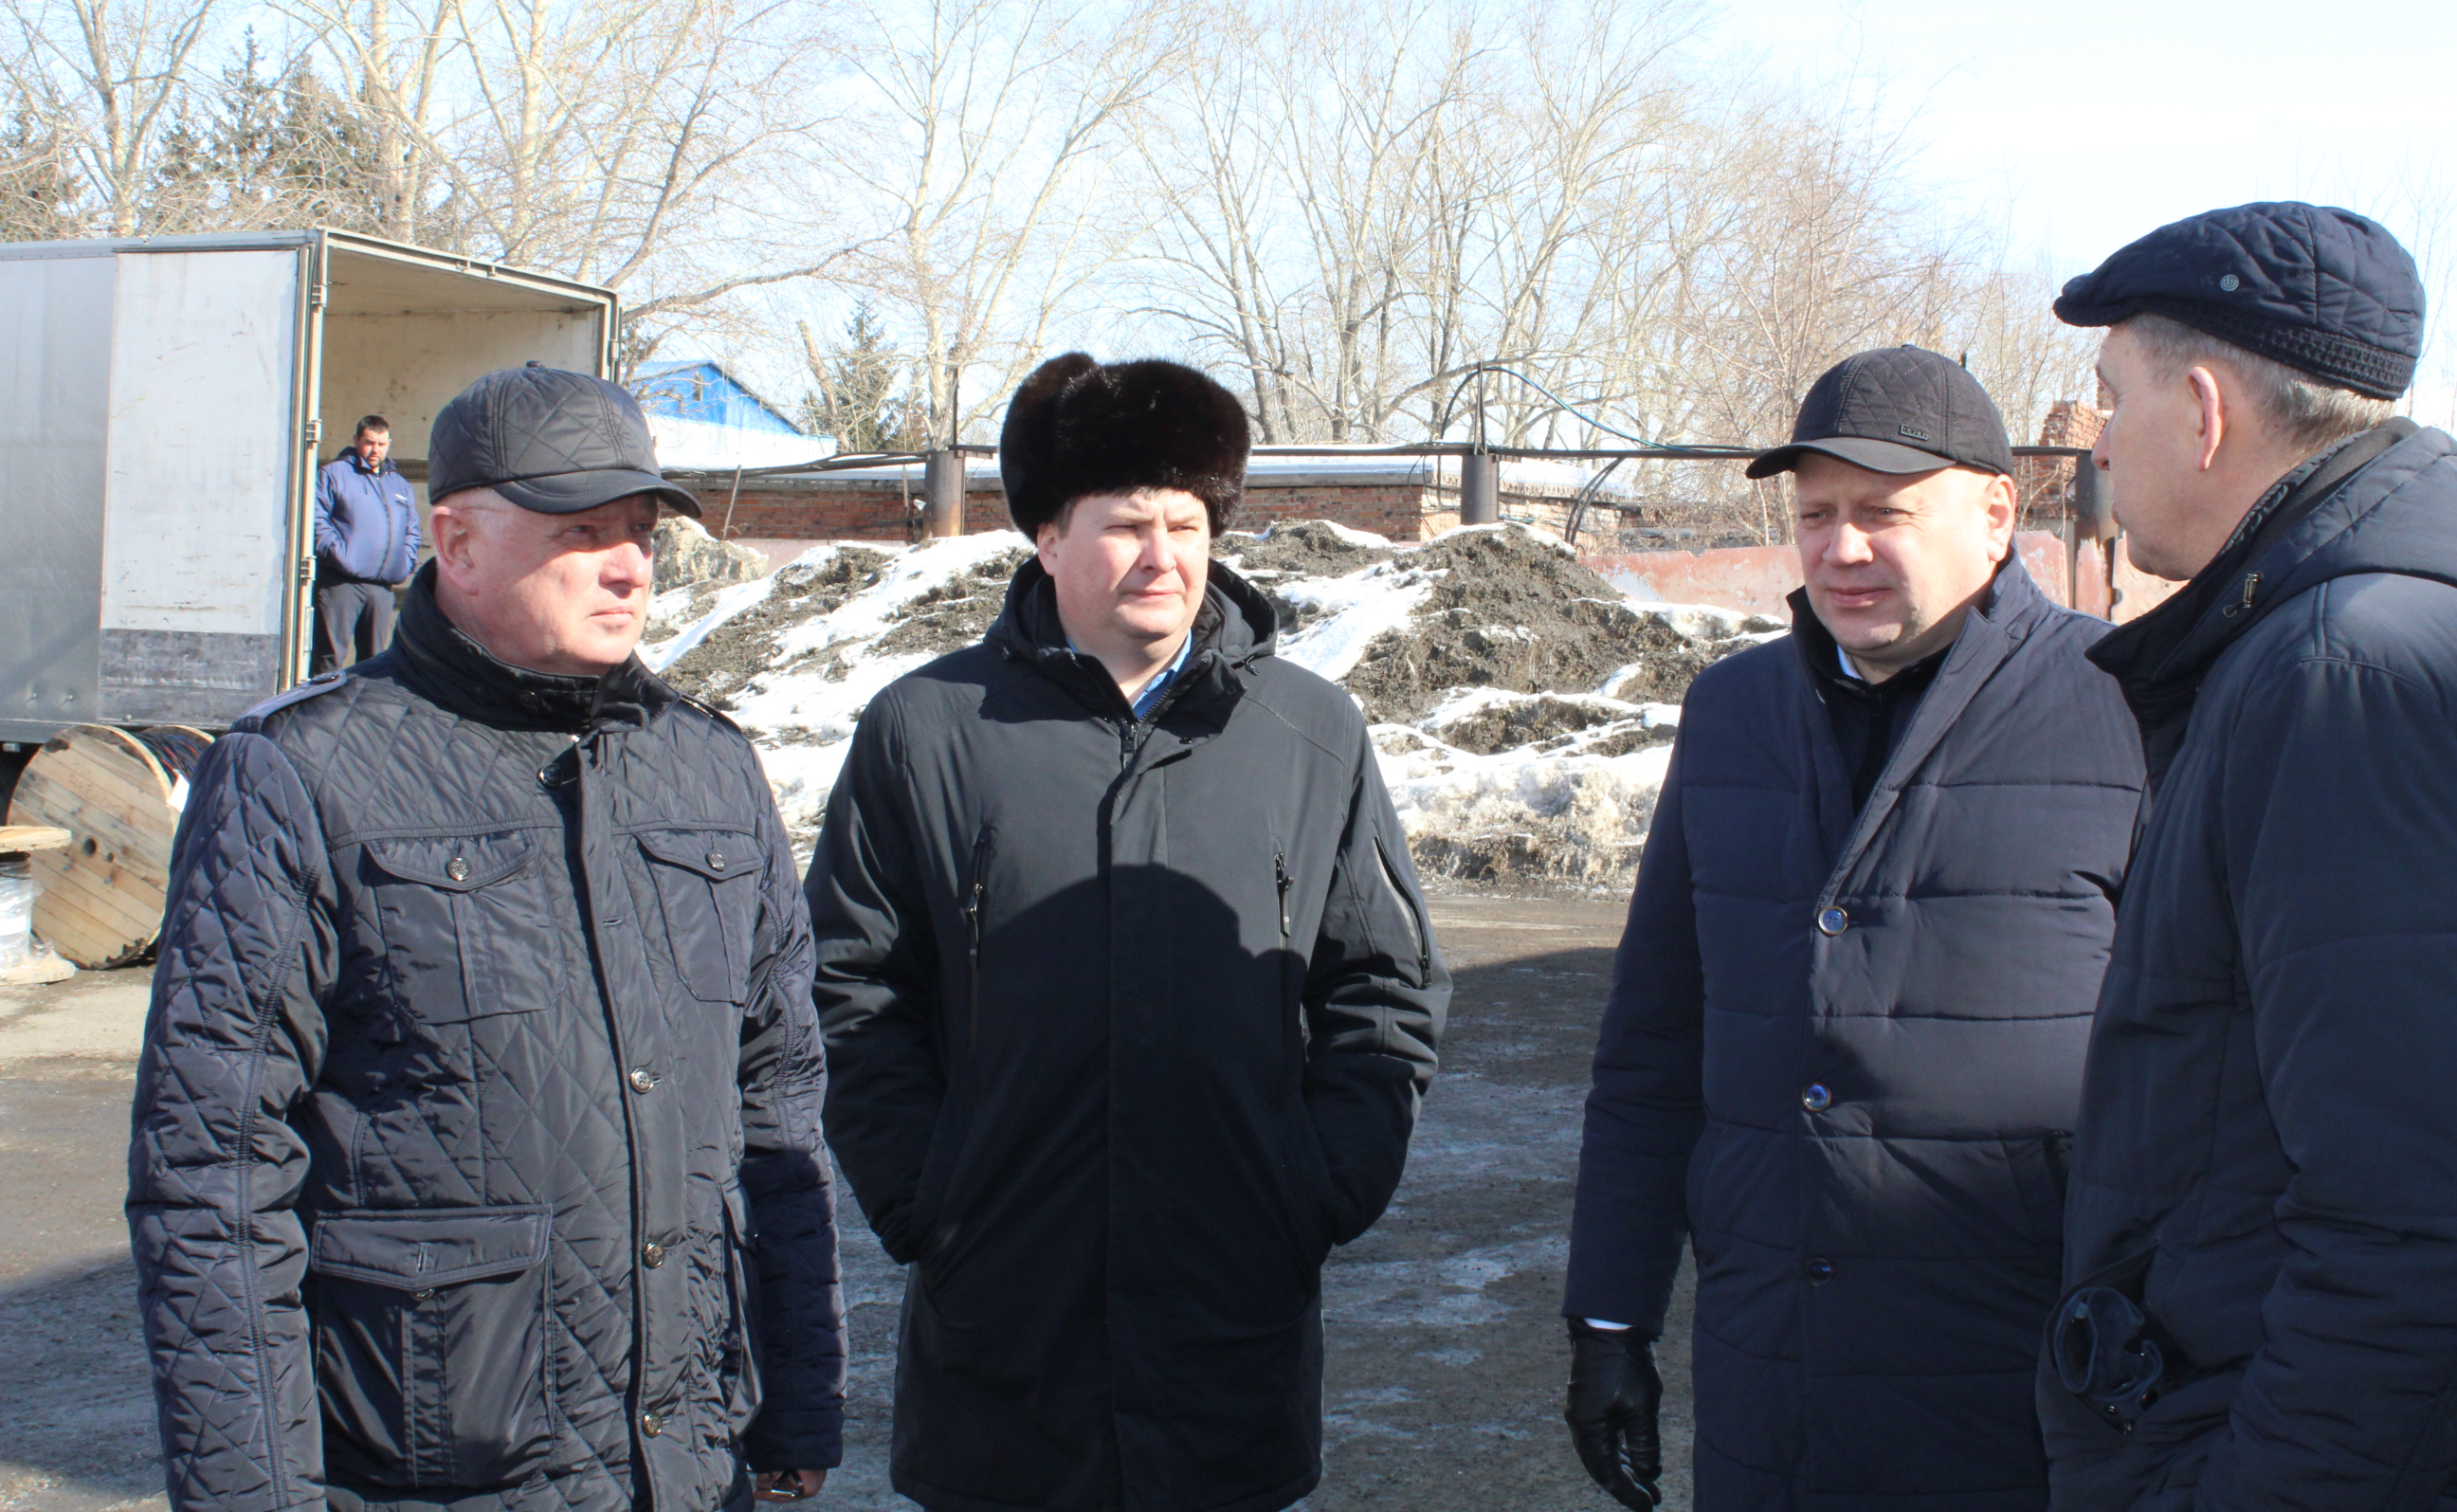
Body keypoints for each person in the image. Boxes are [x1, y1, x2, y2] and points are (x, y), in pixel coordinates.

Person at [129, 364, 844, 1512]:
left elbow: (779, 1101)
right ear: (456, 543)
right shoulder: (301, 773)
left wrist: (797, 1394)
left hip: (686, 1455)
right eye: (582, 532)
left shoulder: (710, 768)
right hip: (434, 1462)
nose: (630, 566)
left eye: (640, 531)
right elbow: (214, 1170)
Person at [806, 354, 1449, 1512]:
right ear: (1049, 538)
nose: (1163, 556)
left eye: (1186, 524)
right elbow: (852, 988)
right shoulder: (926, 731)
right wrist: (930, 1199)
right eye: (1127, 525)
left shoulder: (1309, 733)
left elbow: (1382, 984)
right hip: (1004, 1339)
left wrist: (1313, 1189)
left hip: (1229, 1334)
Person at [1562, 346, 2145, 1510]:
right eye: (1816, 514)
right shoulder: (1733, 713)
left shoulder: (2128, 704)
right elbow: (1655, 1047)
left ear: (1997, 514)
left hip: (2028, 1393)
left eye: (1883, 512)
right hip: (1773, 1382)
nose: (1841, 549)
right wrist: (1610, 1320)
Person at [2040, 203, 2457, 1507]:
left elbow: (2404, 1203)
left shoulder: (2340, 667)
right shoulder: (2348, 627)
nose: (2101, 441)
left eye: (2114, 398)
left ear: (2205, 412)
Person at [312, 414, 423, 674]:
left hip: (381, 587)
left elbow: (412, 530)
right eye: (369, 443)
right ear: (356, 441)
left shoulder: (399, 484)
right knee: (329, 659)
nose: (376, 450)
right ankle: (325, 702)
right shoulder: (333, 474)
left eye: (382, 444)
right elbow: (316, 520)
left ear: (389, 443)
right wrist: (341, 556)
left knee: (375, 662)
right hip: (341, 583)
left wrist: (405, 562)